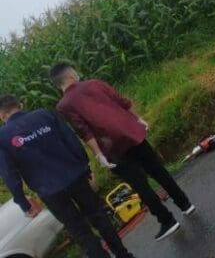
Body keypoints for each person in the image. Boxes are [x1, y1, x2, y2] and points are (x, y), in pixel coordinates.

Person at [50, 62, 195, 242]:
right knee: (158, 171)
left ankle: (167, 220)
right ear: (71, 75)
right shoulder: (95, 83)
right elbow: (122, 102)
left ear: (58, 83)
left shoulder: (64, 105)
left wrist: (99, 155)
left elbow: (84, 131)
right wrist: (138, 119)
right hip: (132, 133)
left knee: (140, 184)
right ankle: (185, 204)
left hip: (113, 148)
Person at [0, 95, 135, 258]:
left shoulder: (3, 137)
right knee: (98, 217)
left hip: (50, 191)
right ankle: (124, 255)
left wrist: (23, 203)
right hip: (75, 176)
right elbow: (71, 140)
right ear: (20, 105)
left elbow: (9, 174)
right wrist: (85, 167)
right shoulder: (45, 115)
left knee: (79, 231)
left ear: (2, 115)